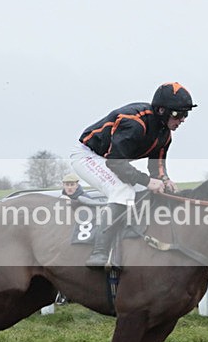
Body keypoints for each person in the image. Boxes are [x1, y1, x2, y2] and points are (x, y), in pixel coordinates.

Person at [71, 82, 196, 268]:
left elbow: (157, 167)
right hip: (88, 155)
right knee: (122, 191)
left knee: (147, 191)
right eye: (179, 114)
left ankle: (131, 237)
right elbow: (114, 163)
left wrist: (165, 180)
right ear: (162, 110)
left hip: (111, 160)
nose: (183, 120)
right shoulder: (134, 123)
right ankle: (99, 252)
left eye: (186, 114)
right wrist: (147, 181)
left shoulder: (164, 134)